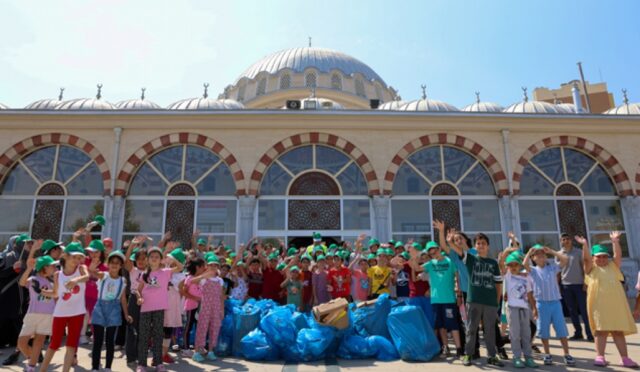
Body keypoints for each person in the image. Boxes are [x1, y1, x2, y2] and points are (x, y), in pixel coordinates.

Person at [577, 232, 638, 368]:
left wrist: (615, 242)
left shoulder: (613, 266)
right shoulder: (591, 269)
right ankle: (600, 357)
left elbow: (618, 256)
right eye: (599, 257)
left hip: (616, 305)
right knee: (600, 331)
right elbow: (586, 259)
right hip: (599, 306)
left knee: (618, 331)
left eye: (605, 257)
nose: (603, 259)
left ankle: (625, 358)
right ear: (594, 258)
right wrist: (585, 245)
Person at [39, 242, 90, 372]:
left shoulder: (81, 268)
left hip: (77, 313)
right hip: (60, 313)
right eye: (74, 257)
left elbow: (87, 277)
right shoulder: (57, 274)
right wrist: (44, 292)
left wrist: (76, 280)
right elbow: (56, 293)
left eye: (79, 257)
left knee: (71, 345)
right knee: (54, 344)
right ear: (65, 256)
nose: (77, 260)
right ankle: (42, 370)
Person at [523, 244, 575, 366]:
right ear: (533, 258)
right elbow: (524, 264)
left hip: (555, 303)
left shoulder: (552, 268)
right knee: (544, 331)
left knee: (561, 329)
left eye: (543, 255)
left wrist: (552, 251)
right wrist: (529, 251)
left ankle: (567, 354)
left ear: (546, 257)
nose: (541, 257)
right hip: (541, 304)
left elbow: (565, 260)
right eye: (537, 255)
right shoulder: (534, 270)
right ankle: (547, 354)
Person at [134, 246, 183, 372]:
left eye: (157, 257)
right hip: (145, 309)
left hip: (159, 309)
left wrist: (172, 258)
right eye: (152, 257)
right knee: (144, 336)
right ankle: (142, 364)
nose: (154, 259)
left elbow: (180, 268)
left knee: (158, 336)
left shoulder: (166, 272)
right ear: (148, 259)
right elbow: (138, 291)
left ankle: (158, 363)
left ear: (161, 259)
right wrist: (139, 298)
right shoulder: (144, 274)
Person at [410, 241, 462, 357]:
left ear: (439, 249)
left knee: (453, 325)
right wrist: (414, 256)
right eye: (431, 253)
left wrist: (459, 295)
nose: (434, 254)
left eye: (435, 251)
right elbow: (417, 268)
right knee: (440, 326)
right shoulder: (430, 264)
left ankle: (459, 349)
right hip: (435, 300)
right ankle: (446, 347)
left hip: (449, 299)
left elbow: (458, 279)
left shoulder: (450, 261)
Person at [461, 233, 504, 367]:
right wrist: (452, 240)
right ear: (475, 246)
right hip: (474, 300)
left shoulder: (493, 263)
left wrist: (497, 302)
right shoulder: (471, 259)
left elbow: (498, 284)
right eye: (478, 243)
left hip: (490, 302)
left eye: (483, 243)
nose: (481, 246)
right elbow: (459, 248)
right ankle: (468, 354)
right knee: (471, 329)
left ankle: (491, 356)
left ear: (488, 246)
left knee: (490, 330)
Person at [89, 251, 133, 372]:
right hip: (100, 308)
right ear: (108, 264)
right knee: (97, 340)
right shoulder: (104, 275)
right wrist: (93, 266)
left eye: (117, 263)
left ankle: (108, 367)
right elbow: (92, 272)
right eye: (112, 262)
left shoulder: (122, 280)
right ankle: (95, 367)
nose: (114, 265)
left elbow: (123, 298)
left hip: (114, 309)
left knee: (110, 341)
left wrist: (126, 314)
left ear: (121, 266)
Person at [17, 246, 56, 372]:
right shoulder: (33, 279)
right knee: (21, 343)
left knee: (39, 342)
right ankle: (31, 358)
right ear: (44, 267)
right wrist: (29, 268)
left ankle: (31, 366)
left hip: (48, 315)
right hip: (32, 313)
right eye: (52, 266)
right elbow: (22, 283)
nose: (54, 268)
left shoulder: (53, 281)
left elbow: (56, 297)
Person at [498, 248, 537, 368]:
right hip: (512, 308)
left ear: (520, 266)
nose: (513, 267)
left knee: (526, 333)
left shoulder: (526, 277)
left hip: (525, 308)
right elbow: (500, 263)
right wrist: (507, 251)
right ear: (508, 267)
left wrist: (534, 307)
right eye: (511, 265)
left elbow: (529, 293)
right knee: (515, 334)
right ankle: (516, 357)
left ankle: (528, 357)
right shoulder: (508, 276)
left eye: (516, 264)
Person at [557, 233, 593, 341]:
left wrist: (585, 283)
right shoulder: (558, 254)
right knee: (572, 311)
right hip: (566, 286)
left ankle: (590, 333)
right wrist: (558, 286)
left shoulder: (578, 252)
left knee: (584, 310)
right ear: (561, 241)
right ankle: (578, 333)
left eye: (568, 239)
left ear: (571, 241)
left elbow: (585, 268)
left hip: (579, 285)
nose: (566, 241)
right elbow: (558, 272)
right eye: (563, 239)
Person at [191, 254, 225, 362]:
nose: (213, 267)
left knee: (215, 328)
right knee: (202, 328)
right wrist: (204, 275)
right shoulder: (204, 279)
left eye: (215, 265)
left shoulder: (220, 280)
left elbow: (221, 296)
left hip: (216, 307)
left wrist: (222, 309)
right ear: (207, 266)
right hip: (205, 306)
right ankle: (197, 351)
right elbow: (192, 281)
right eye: (211, 265)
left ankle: (210, 351)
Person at [123, 238, 147, 364]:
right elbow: (126, 260)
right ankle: (130, 356)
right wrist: (131, 245)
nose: (141, 261)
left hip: (147, 301)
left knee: (143, 329)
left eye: (144, 259)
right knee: (132, 328)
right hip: (134, 300)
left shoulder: (150, 273)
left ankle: (139, 355)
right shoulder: (134, 270)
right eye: (139, 259)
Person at [162, 247, 186, 364]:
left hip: (171, 306)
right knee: (158, 329)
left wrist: (175, 260)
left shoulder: (181, 276)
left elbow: (181, 290)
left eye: (171, 259)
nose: (168, 260)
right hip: (159, 303)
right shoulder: (164, 270)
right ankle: (159, 353)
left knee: (168, 330)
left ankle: (164, 354)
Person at [180, 257, 205, 355]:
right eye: (203, 266)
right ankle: (185, 349)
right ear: (198, 267)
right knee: (188, 327)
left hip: (200, 307)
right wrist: (195, 298)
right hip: (191, 306)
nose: (204, 268)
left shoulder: (201, 278)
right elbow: (184, 292)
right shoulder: (189, 278)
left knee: (200, 327)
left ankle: (198, 348)